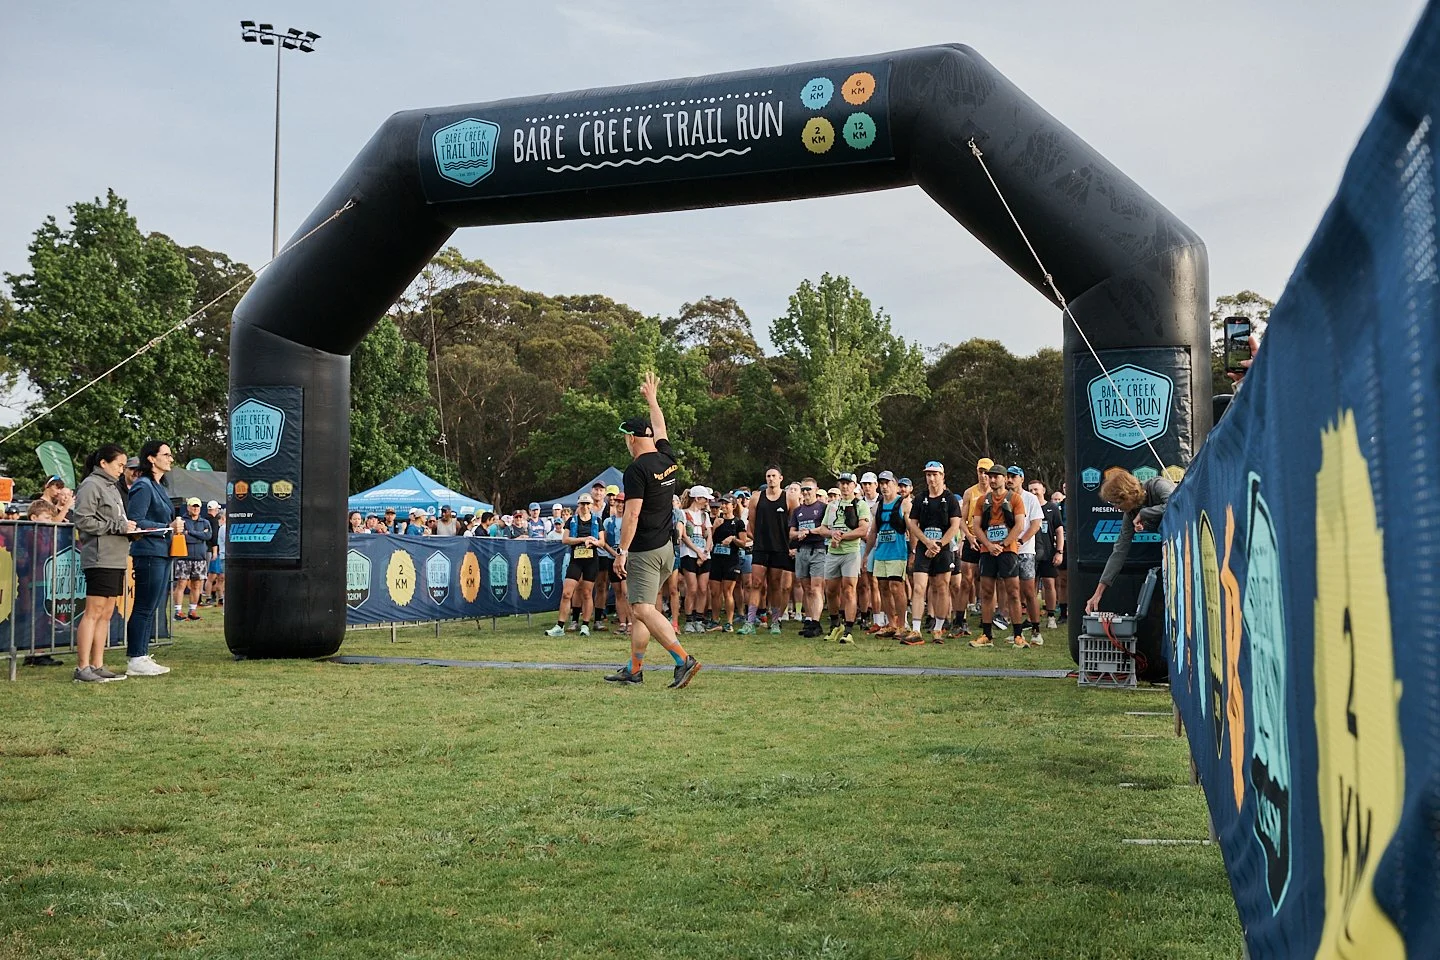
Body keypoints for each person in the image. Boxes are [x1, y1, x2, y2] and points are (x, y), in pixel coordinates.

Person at [608, 371, 700, 688]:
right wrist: (653, 400)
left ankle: (683, 660)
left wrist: (622, 552)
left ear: (631, 438)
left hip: (645, 550)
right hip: (666, 550)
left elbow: (631, 515)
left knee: (643, 609)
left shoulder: (636, 470)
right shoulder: (665, 458)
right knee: (642, 609)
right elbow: (660, 426)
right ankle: (634, 670)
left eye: (625, 438)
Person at [70, 444, 137, 683]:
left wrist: (130, 529)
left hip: (116, 556)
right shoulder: (91, 485)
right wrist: (118, 527)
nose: (123, 469)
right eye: (119, 464)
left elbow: (116, 519)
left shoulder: (112, 487)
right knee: (93, 612)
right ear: (103, 463)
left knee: (107, 613)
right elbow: (83, 520)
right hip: (100, 557)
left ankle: (97, 664)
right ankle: (82, 667)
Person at [1086, 469, 1176, 614]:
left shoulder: (1158, 485)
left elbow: (1176, 503)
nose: (1115, 508)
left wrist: (1144, 513)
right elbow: (1119, 552)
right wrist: (1098, 594)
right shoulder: (1130, 514)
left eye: (1115, 503)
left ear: (1125, 495)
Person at [124, 440, 175, 676]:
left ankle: (142, 654)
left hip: (162, 551)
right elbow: (136, 521)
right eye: (166, 454)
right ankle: (136, 657)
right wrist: (167, 526)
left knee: (152, 605)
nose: (170, 458)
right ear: (151, 459)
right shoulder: (143, 486)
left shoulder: (158, 487)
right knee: (144, 605)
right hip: (148, 551)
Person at [968, 464, 1029, 648]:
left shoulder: (1015, 499)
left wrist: (1002, 545)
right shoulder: (981, 501)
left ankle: (1018, 634)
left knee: (1013, 591)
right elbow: (976, 526)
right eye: (990, 476)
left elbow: (1019, 525)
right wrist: (988, 545)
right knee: (986, 591)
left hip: (1008, 550)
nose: (993, 480)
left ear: (1004, 478)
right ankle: (987, 634)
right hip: (987, 551)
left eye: (997, 477)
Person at [902, 461, 961, 644]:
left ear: (942, 476)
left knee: (941, 587)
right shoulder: (920, 498)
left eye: (935, 474)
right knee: (919, 587)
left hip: (943, 549)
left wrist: (939, 545)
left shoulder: (950, 498)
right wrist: (927, 543)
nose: (931, 478)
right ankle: (917, 629)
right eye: (928, 474)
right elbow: (913, 524)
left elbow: (955, 525)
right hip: (923, 547)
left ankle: (938, 628)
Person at [745, 466, 799, 635]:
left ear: (781, 478)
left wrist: (789, 545)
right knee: (756, 583)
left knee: (775, 585)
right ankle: (750, 622)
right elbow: (751, 523)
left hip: (779, 548)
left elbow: (794, 523)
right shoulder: (756, 498)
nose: (771, 479)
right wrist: (758, 540)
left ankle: (775, 621)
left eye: (774, 476)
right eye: (768, 476)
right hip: (761, 548)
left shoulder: (789, 498)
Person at [820, 472, 871, 643]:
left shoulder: (861, 505)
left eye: (848, 483)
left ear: (854, 485)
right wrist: (832, 533)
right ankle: (836, 624)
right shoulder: (832, 505)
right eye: (842, 483)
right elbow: (823, 528)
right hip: (833, 552)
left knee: (849, 589)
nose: (845, 486)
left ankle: (848, 629)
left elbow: (863, 530)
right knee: (831, 590)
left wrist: (842, 536)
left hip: (850, 552)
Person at [547, 493, 604, 637]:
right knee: (567, 593)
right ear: (578, 505)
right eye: (582, 504)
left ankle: (585, 625)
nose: (585, 507)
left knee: (586, 592)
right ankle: (560, 625)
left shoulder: (597, 521)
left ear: (591, 506)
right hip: (576, 559)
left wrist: (593, 541)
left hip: (591, 560)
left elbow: (602, 542)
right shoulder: (572, 521)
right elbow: (565, 540)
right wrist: (582, 539)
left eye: (587, 504)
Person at [950, 457, 994, 639]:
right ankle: (959, 620)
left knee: (988, 583)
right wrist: (967, 536)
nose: (983, 476)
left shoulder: (998, 492)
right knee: (966, 581)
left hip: (990, 540)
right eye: (980, 472)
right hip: (972, 539)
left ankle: (989, 623)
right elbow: (960, 518)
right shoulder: (970, 492)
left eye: (986, 472)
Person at [864, 471, 909, 639]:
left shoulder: (904, 503)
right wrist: (866, 554)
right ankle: (890, 623)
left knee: (896, 588)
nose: (884, 486)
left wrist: (913, 552)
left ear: (895, 485)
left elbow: (911, 528)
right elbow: (873, 531)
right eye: (881, 483)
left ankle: (902, 625)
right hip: (881, 553)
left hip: (897, 552)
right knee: (883, 588)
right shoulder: (878, 506)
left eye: (887, 483)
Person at [1006, 466, 1046, 644]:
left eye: (1013, 476)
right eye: (1007, 476)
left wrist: (1021, 541)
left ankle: (1036, 630)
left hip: (1026, 552)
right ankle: (1017, 632)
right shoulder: (1004, 498)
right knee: (1012, 592)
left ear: (1021, 478)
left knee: (1029, 592)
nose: (1009, 480)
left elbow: (1036, 524)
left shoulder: (1030, 498)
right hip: (1008, 552)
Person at [788, 478, 828, 638]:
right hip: (802, 550)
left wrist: (811, 532)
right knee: (806, 588)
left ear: (816, 489)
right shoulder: (798, 511)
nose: (805, 492)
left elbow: (827, 529)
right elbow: (791, 533)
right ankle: (810, 620)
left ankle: (817, 622)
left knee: (816, 587)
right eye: (803, 489)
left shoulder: (823, 508)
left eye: (808, 489)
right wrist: (799, 534)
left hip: (818, 549)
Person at [677, 486, 714, 633]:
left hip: (704, 555)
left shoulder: (705, 516)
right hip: (689, 554)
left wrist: (705, 552)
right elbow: (684, 536)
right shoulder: (683, 514)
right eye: (704, 499)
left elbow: (709, 535)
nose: (706, 502)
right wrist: (698, 552)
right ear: (697, 499)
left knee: (703, 589)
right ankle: (689, 620)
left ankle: (699, 619)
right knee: (691, 588)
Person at [1029, 479, 1064, 629]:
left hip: (1048, 552)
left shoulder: (1052, 508)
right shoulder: (1027, 507)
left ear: (1043, 490)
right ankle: (1032, 617)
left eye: (1036, 489)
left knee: (1049, 584)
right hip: (1030, 553)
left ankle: (1051, 616)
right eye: (1030, 490)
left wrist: (1059, 551)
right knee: (1031, 587)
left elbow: (1059, 531)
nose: (1034, 493)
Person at [708, 495, 746, 631]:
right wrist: (713, 527)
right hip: (716, 559)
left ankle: (729, 622)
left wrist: (733, 539)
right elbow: (708, 540)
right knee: (714, 592)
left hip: (731, 561)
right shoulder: (715, 520)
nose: (723, 506)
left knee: (727, 592)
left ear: (733, 506)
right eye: (722, 504)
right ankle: (715, 619)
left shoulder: (738, 523)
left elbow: (744, 543)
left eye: (726, 504)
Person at [173, 497, 210, 622]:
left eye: (197, 506)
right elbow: (183, 537)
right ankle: (178, 611)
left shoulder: (205, 522)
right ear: (188, 507)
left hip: (200, 557)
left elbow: (208, 536)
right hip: (184, 557)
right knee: (181, 583)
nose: (195, 508)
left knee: (197, 584)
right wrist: (199, 536)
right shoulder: (182, 521)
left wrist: (191, 533)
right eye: (193, 506)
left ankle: (192, 610)